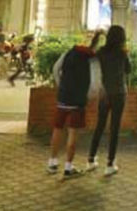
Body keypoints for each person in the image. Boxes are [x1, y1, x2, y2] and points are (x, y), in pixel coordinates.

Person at [48, 31, 102, 178]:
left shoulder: (68, 53)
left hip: (63, 97)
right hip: (77, 101)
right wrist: (89, 96)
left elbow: (55, 69)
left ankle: (52, 162)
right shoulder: (92, 59)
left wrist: (61, 85)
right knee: (73, 132)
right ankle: (68, 166)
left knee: (57, 128)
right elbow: (95, 83)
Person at [88, 25, 132, 177]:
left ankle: (91, 159)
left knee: (100, 125)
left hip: (104, 93)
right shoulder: (122, 53)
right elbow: (128, 70)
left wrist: (96, 36)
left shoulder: (102, 52)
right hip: (119, 93)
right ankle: (110, 163)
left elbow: (89, 53)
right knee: (114, 128)